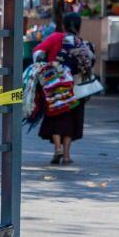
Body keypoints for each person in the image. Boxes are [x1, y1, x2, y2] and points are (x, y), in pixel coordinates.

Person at [34, 12, 96, 165]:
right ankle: (67, 155)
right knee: (72, 119)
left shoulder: (55, 38)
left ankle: (57, 149)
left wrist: (43, 66)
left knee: (56, 117)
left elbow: (38, 51)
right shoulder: (83, 43)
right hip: (77, 88)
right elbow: (91, 62)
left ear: (63, 25)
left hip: (57, 86)